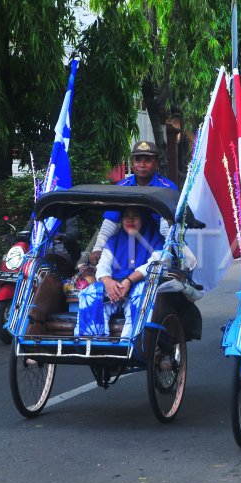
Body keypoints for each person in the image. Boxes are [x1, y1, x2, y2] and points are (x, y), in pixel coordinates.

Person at [75, 207, 195, 337]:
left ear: (144, 218)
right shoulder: (113, 240)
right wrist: (107, 281)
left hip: (140, 285)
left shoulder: (157, 240)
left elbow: (153, 265)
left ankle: (130, 344)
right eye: (126, 215)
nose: (130, 220)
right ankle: (90, 342)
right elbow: (103, 265)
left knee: (140, 293)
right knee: (90, 292)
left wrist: (129, 281)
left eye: (135, 216)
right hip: (114, 290)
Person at [89, 140, 178, 265]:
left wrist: (168, 252)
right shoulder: (121, 187)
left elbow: (168, 228)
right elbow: (110, 222)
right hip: (127, 243)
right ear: (132, 163)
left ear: (157, 163)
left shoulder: (168, 188)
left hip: (158, 242)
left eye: (147, 160)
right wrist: (98, 248)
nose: (142, 164)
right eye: (137, 160)